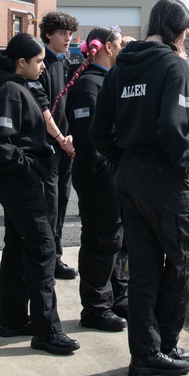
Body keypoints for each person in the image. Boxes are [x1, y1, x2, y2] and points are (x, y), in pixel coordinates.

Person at [90, 0, 189, 376]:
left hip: (127, 177)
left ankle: (145, 352)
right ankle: (162, 344)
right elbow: (174, 128)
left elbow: (99, 132)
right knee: (183, 260)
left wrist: (123, 160)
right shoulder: (175, 66)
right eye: (186, 31)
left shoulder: (121, 68)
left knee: (145, 269)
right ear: (178, 30)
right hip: (163, 178)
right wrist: (188, 162)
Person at [0, 33, 79, 355]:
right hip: (20, 182)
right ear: (21, 62)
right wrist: (27, 169)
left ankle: (13, 318)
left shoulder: (19, 86)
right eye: (37, 61)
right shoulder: (10, 90)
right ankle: (46, 331)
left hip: (20, 180)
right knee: (43, 249)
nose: (43, 66)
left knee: (18, 245)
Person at [61, 27, 133, 332]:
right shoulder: (90, 85)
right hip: (98, 178)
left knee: (118, 242)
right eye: (117, 44)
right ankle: (95, 307)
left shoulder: (108, 81)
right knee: (101, 242)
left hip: (112, 177)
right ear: (104, 48)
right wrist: (109, 173)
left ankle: (118, 298)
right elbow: (90, 144)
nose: (121, 49)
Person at [34, 11, 80, 280]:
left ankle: (57, 257)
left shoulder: (67, 63)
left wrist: (71, 135)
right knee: (48, 204)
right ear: (49, 33)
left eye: (70, 34)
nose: (67, 38)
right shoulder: (40, 63)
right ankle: (45, 258)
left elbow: (70, 104)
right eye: (62, 33)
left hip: (66, 145)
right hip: (47, 146)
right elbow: (42, 107)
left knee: (62, 201)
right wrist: (60, 138)